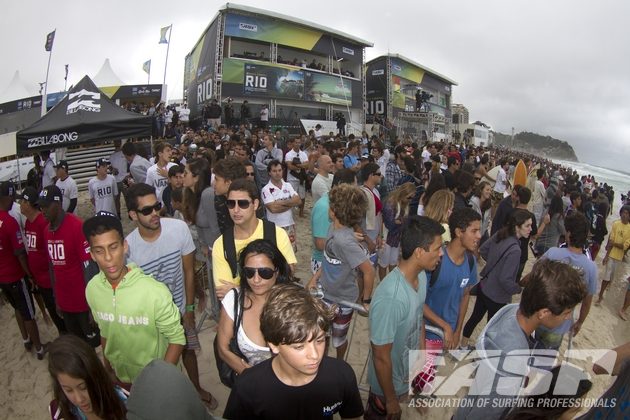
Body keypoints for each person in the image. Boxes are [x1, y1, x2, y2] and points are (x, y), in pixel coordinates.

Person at [454, 260, 587, 420]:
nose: (568, 319)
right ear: (544, 313)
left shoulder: (511, 310)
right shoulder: (511, 367)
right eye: (567, 313)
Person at [124, 183, 216, 407]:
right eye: (147, 210)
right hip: (151, 316)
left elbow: (188, 271)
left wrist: (189, 309)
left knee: (188, 350)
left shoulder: (178, 229)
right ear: (133, 215)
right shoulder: (129, 248)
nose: (155, 213)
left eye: (156, 206)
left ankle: (196, 388)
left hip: (181, 306)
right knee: (160, 362)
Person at [223, 284, 364, 420]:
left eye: (319, 340)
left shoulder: (341, 375)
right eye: (299, 347)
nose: (315, 355)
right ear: (274, 345)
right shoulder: (247, 388)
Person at [83, 212, 186, 385]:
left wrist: (161, 381)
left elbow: (177, 338)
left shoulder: (154, 292)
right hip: (121, 379)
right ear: (92, 254)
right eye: (99, 251)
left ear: (125, 246)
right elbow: (105, 331)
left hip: (159, 381)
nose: (108, 258)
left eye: (113, 247)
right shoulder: (92, 289)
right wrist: (108, 368)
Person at [365, 216, 444, 419]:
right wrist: (390, 400)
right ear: (419, 252)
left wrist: (421, 356)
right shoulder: (391, 297)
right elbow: (381, 355)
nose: (441, 254)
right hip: (385, 389)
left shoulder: (420, 278)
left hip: (405, 377)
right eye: (437, 248)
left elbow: (419, 318)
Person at [415, 208, 481, 393]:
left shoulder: (470, 261)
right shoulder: (436, 260)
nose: (479, 235)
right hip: (428, 330)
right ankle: (421, 395)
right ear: (459, 232)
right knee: (423, 369)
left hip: (449, 332)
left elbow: (465, 294)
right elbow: (419, 301)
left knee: (432, 366)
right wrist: (445, 326)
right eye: (474, 231)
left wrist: (458, 328)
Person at [307, 183, 374, 360]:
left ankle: (339, 362)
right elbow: (328, 260)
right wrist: (315, 279)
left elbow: (369, 271)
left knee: (339, 338)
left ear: (334, 212)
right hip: (324, 295)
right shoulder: (334, 229)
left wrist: (366, 300)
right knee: (321, 335)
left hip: (343, 302)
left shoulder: (345, 241)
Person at [217, 239, 293, 377]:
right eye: (249, 272)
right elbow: (223, 348)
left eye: (265, 273)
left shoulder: (293, 302)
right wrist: (249, 375)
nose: (256, 280)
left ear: (277, 272)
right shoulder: (233, 300)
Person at [212, 179, 297, 299]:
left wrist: (237, 290)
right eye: (231, 204)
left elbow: (288, 276)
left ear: (255, 204)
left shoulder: (277, 234)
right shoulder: (221, 244)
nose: (236, 210)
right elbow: (223, 293)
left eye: (243, 204)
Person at [461, 208, 533, 347]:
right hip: (498, 296)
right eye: (527, 225)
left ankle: (463, 345)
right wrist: (517, 288)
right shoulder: (515, 250)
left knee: (474, 318)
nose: (530, 229)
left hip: (485, 286)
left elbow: (483, 249)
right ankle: (482, 355)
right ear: (517, 226)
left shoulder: (501, 234)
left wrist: (493, 263)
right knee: (492, 329)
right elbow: (505, 280)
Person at [39, 185, 100, 346]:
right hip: (65, 303)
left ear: (58, 205)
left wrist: (93, 306)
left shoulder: (77, 226)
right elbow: (52, 266)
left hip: (82, 303)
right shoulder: (46, 231)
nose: (43, 210)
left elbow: (89, 268)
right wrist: (57, 298)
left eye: (46, 206)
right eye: (41, 207)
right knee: (77, 346)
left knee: (93, 346)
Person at [534, 212, 597, 347]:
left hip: (538, 316)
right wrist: (580, 321)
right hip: (559, 325)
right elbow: (587, 302)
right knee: (544, 361)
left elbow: (534, 276)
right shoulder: (591, 268)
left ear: (568, 234)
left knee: (526, 350)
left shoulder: (553, 253)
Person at [0, 182, 47, 359]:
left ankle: (26, 340)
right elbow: (20, 253)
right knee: (28, 312)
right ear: (6, 197)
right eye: (12, 198)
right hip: (16, 275)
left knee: (17, 309)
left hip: (2, 277)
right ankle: (39, 348)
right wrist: (29, 275)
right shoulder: (10, 222)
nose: (15, 202)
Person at [18, 186, 66, 335]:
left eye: (22, 201)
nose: (19, 204)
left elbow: (51, 252)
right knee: (53, 313)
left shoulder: (42, 223)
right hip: (40, 280)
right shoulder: (28, 223)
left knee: (61, 315)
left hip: (50, 280)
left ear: (28, 204)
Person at [48, 334, 127, 420]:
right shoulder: (58, 412)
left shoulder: (127, 401)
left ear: (96, 377)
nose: (79, 399)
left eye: (83, 387)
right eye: (68, 390)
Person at [181, 158, 221, 320]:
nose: (182, 176)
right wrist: (204, 245)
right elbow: (198, 223)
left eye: (185, 173)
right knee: (213, 284)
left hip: (218, 249)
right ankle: (217, 312)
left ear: (196, 177)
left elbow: (217, 226)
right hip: (209, 249)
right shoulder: (192, 195)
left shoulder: (207, 195)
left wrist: (215, 250)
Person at [378, 182, 416, 280]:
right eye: (409, 197)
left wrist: (400, 221)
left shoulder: (404, 204)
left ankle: (391, 282)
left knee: (393, 262)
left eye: (412, 198)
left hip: (396, 238)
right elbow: (390, 224)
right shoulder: (391, 203)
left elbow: (401, 222)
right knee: (383, 263)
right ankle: (383, 283)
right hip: (387, 237)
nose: (410, 200)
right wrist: (400, 222)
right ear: (403, 193)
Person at [261, 160, 301, 251]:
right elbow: (273, 209)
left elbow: (298, 201)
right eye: (274, 171)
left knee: (291, 252)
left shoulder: (288, 185)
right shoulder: (266, 189)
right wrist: (291, 203)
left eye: (279, 170)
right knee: (277, 253)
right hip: (275, 227)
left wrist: (281, 202)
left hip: (289, 224)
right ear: (269, 173)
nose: (277, 173)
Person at [598, 205, 630, 304]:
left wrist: (615, 244)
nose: (624, 215)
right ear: (620, 213)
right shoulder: (616, 224)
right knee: (606, 276)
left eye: (627, 213)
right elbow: (611, 239)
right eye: (623, 213)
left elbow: (625, 246)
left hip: (619, 257)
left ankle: (607, 287)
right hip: (611, 255)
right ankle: (600, 296)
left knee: (611, 278)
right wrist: (606, 256)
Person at [285, 137, 309, 217]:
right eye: (296, 142)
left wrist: (297, 165)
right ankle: (290, 213)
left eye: (299, 142)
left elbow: (307, 165)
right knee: (291, 196)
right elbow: (289, 166)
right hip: (292, 178)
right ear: (293, 143)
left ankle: (301, 212)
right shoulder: (289, 154)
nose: (298, 144)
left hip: (301, 178)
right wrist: (301, 166)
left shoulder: (303, 154)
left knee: (302, 196)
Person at [109, 140, 128, 218]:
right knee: (116, 199)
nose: (117, 143)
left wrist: (128, 174)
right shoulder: (112, 156)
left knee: (127, 198)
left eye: (118, 142)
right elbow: (110, 166)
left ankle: (130, 213)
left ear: (120, 143)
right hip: (115, 180)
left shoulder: (124, 154)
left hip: (124, 179)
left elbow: (129, 164)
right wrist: (112, 169)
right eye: (115, 142)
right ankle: (118, 214)